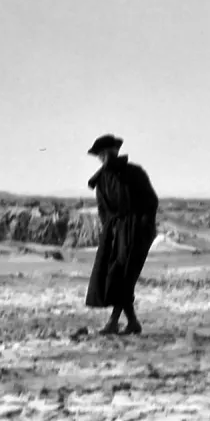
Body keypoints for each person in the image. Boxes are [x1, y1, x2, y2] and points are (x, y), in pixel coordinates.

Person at [84, 134, 159, 335]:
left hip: (136, 231)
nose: (102, 158)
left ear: (113, 153)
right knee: (116, 276)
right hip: (115, 232)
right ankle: (131, 322)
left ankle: (114, 322)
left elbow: (151, 202)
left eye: (104, 154)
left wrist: (142, 227)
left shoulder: (134, 173)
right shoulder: (101, 179)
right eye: (100, 155)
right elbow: (103, 209)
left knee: (125, 276)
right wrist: (110, 228)